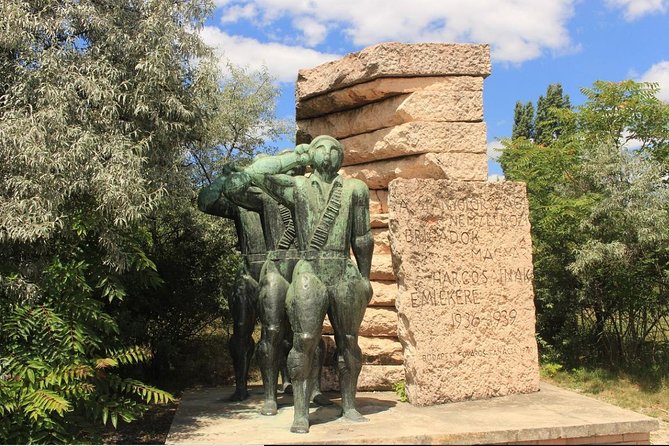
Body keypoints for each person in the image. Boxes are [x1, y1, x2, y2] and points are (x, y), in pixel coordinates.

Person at [244, 135, 374, 433]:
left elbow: (362, 237)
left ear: (342, 157)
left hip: (343, 269)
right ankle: (301, 412)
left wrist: (365, 277)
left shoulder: (356, 189)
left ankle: (350, 405)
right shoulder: (298, 186)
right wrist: (298, 157)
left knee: (350, 340)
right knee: (304, 340)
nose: (327, 154)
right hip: (309, 271)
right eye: (320, 148)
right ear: (310, 156)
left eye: (334, 149)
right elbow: (256, 174)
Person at [222, 156, 332, 416]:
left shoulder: (309, 197)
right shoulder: (267, 198)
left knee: (310, 332)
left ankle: (313, 389)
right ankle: (270, 395)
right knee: (271, 332)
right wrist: (296, 156)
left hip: (304, 269)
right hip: (278, 268)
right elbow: (234, 187)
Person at [197, 164, 265, 402]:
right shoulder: (242, 208)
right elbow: (205, 202)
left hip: (279, 270)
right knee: (240, 330)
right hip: (248, 271)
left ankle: (285, 385)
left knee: (283, 332)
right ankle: (241, 387)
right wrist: (225, 178)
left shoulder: (284, 203)